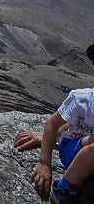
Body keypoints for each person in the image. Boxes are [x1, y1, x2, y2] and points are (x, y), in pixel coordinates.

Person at [14, 43, 94, 203]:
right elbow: (54, 123)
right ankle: (64, 188)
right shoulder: (82, 99)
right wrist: (44, 162)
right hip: (74, 152)